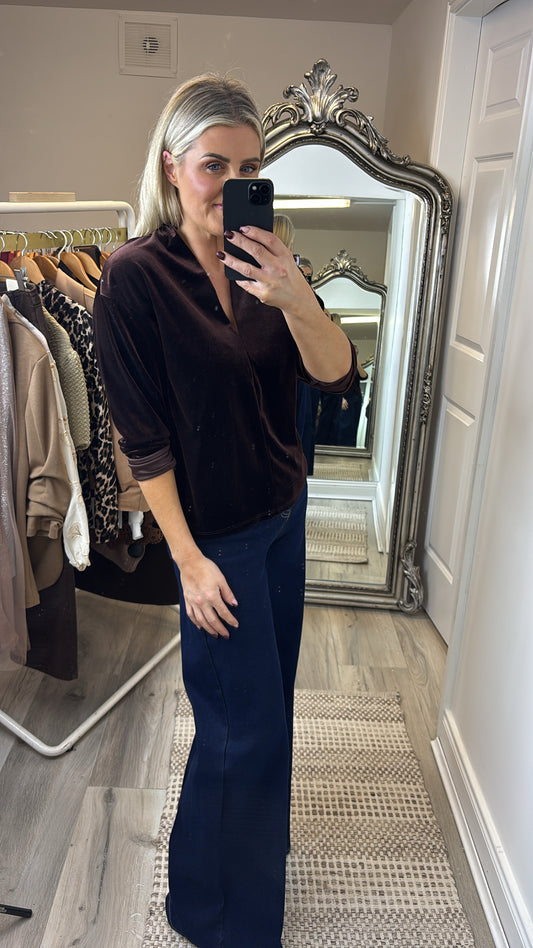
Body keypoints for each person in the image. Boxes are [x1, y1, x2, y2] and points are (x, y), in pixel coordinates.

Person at [93, 73, 356, 948]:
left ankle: (231, 879)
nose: (232, 183)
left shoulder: (273, 266)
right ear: (172, 168)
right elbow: (143, 441)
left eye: (250, 167)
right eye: (214, 165)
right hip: (217, 542)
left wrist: (296, 299)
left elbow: (334, 376)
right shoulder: (133, 277)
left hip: (283, 517)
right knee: (242, 737)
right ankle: (225, 924)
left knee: (263, 716)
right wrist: (189, 560)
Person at [272, 215, 321, 474]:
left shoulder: (244, 282)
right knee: (294, 449)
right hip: (295, 375)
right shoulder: (298, 290)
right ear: (289, 245)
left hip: (281, 375)